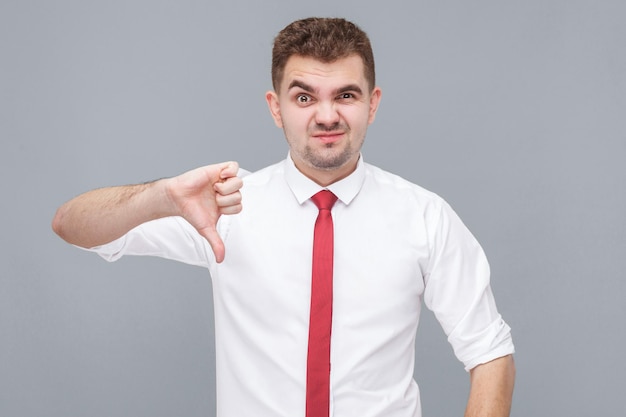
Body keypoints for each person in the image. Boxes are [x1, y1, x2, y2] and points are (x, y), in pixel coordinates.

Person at [52, 17, 515, 417]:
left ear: (372, 103)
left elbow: (490, 353)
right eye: (304, 97)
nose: (327, 115)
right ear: (276, 108)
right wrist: (160, 196)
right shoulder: (223, 205)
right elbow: (72, 226)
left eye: (346, 95)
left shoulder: (424, 217)